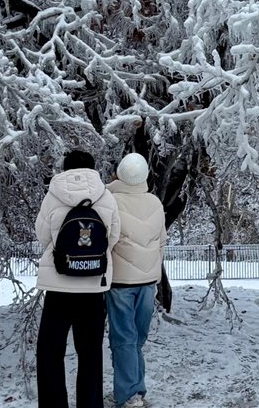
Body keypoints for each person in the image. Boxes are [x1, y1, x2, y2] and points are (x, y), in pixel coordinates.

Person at [35, 150, 120, 408]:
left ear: (65, 168)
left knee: (50, 352)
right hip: (93, 286)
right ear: (93, 168)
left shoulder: (53, 195)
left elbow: (42, 236)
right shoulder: (105, 196)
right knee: (90, 353)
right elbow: (113, 236)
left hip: (58, 285)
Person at [105, 153, 167, 408]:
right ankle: (136, 389)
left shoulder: (110, 201)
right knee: (137, 338)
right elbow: (161, 241)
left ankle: (130, 394)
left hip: (120, 281)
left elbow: (107, 239)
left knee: (124, 339)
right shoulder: (154, 203)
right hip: (148, 281)